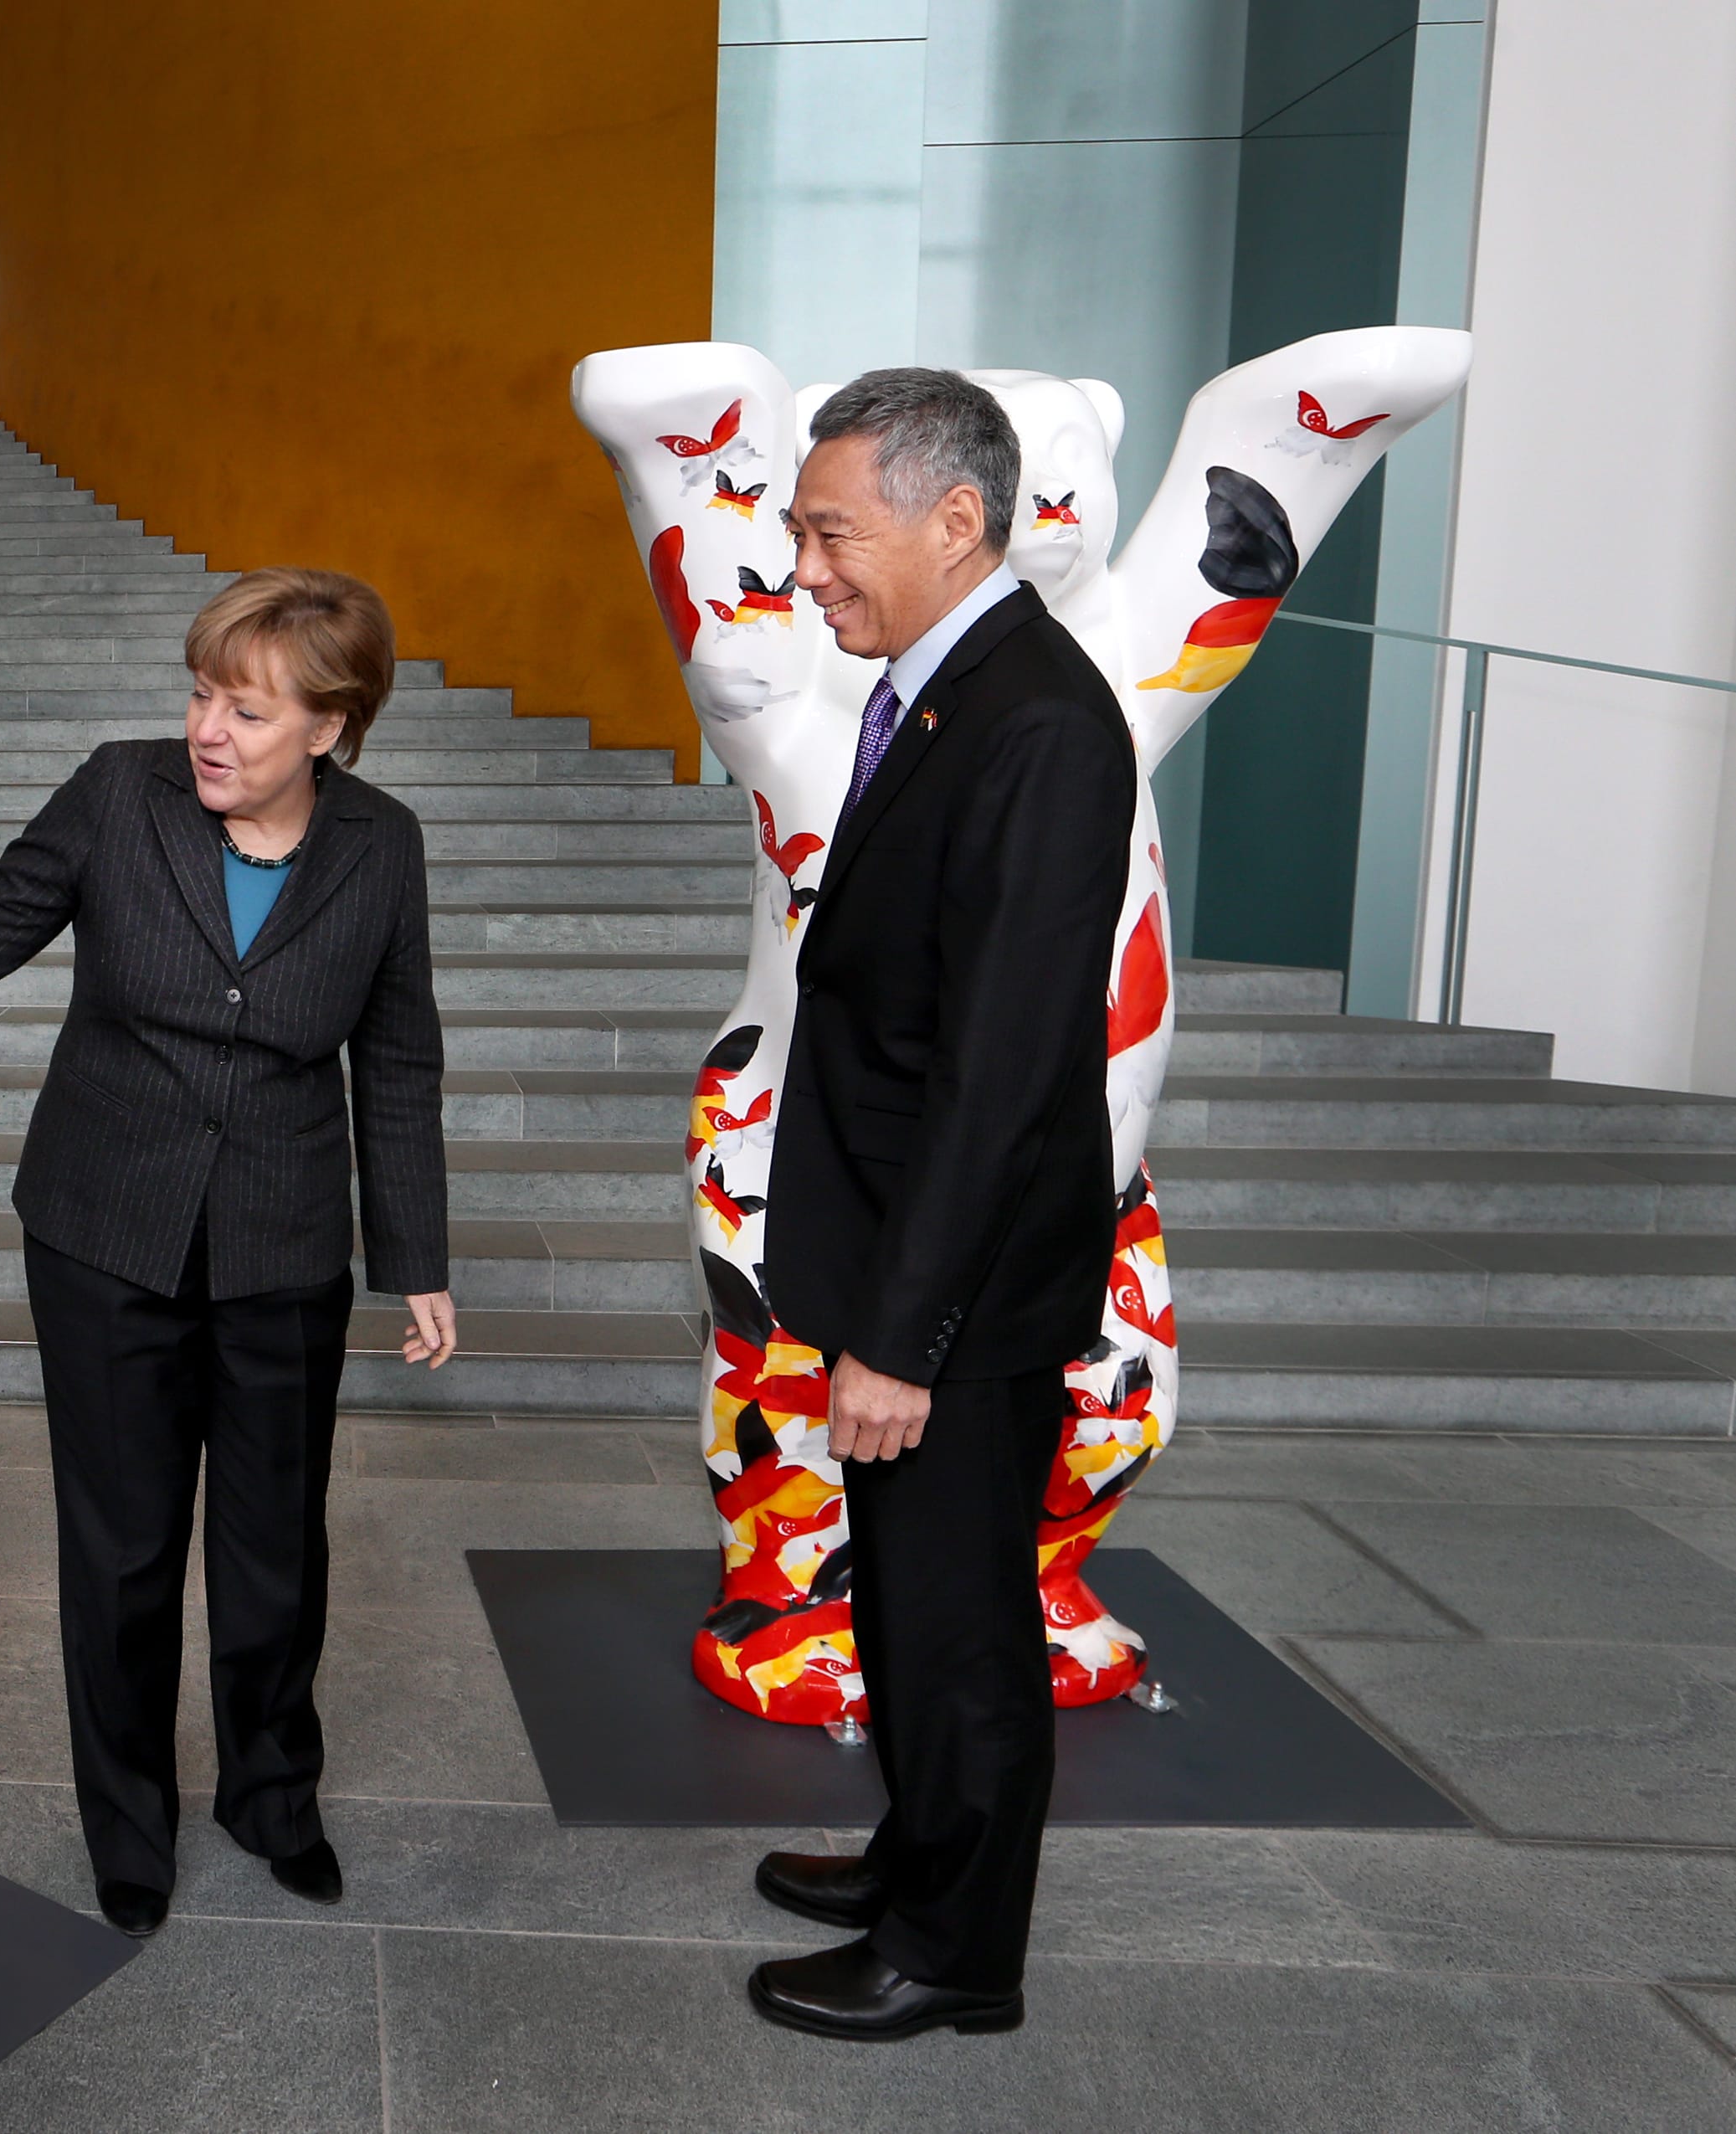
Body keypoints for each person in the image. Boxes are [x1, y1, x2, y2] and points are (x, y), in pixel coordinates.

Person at [0, 568, 455, 1938]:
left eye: (246, 707)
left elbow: (397, 1053)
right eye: (200, 694)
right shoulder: (119, 793)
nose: (207, 730)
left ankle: (273, 1798)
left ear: (331, 730)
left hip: (282, 1246)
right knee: (120, 1549)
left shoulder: (381, 846)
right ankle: (130, 1826)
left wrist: (416, 1255)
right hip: (106, 1232)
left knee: (276, 1548)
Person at [745, 370, 1135, 2040]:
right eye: (797, 532)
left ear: (955, 520)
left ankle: (955, 1953)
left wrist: (905, 1336)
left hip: (957, 1295)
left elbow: (1002, 1062)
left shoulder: (1037, 722)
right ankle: (921, 1852)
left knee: (961, 1623)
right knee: (903, 1593)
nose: (806, 568)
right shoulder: (946, 691)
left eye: (832, 534)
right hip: (913, 1256)